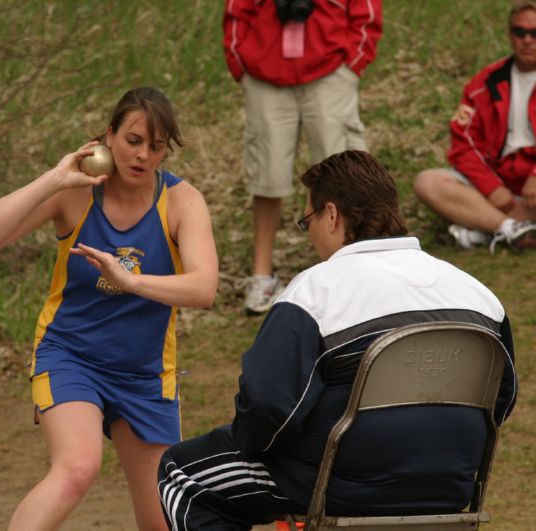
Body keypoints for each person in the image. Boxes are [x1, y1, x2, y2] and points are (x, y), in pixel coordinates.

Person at [157, 150, 518, 531]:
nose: (309, 231)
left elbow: (268, 409)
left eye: (306, 220)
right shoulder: (479, 295)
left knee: (182, 474)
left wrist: (260, 450)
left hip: (339, 484)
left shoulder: (317, 291)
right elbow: (502, 400)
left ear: (331, 215)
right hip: (451, 483)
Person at [0, 87, 219, 531]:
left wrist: (132, 281)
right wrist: (55, 178)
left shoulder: (182, 202)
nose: (142, 155)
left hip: (144, 372)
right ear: (109, 136)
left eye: (155, 146)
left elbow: (204, 288)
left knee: (162, 518)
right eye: (133, 140)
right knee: (78, 468)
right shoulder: (77, 193)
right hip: (71, 356)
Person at [223, 0, 382, 314]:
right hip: (265, 73)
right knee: (268, 179)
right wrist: (240, 60)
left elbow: (366, 10)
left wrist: (353, 62)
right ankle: (262, 277)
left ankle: (352, 272)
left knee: (345, 178)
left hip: (330, 69)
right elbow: (236, 11)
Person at [414, 0, 536, 253]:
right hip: (497, 185)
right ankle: (510, 228)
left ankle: (483, 228)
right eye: (519, 32)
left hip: (531, 183)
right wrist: (493, 189)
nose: (527, 40)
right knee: (427, 182)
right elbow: (463, 145)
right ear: (509, 35)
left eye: (534, 33)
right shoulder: (484, 83)